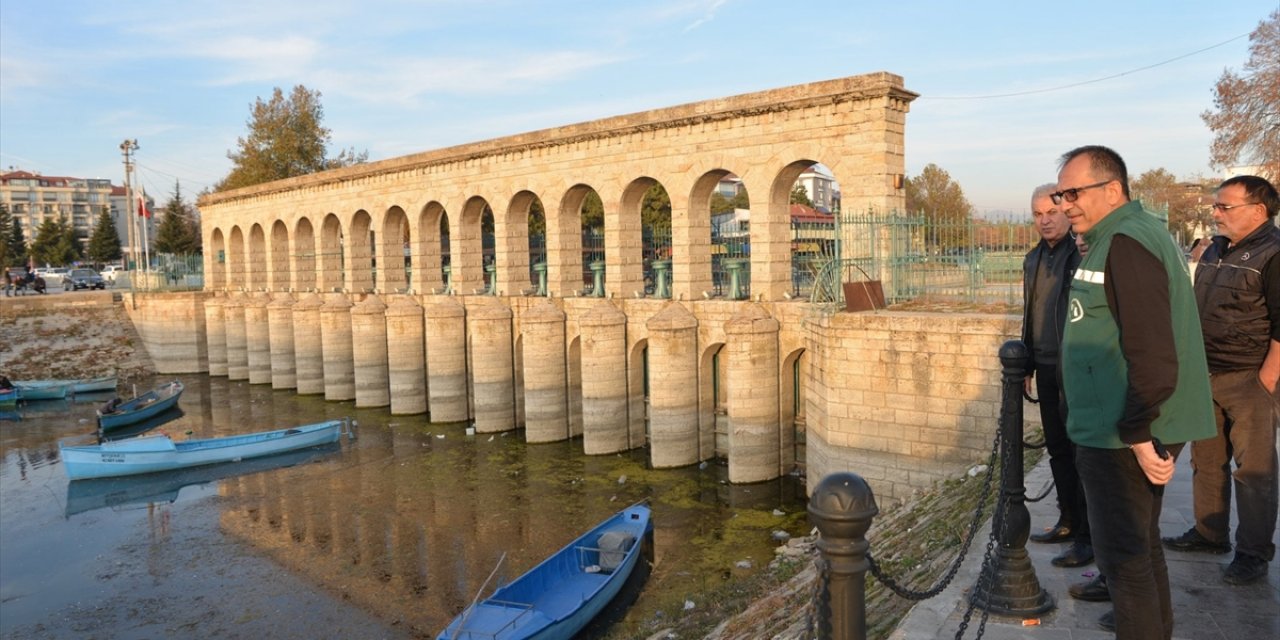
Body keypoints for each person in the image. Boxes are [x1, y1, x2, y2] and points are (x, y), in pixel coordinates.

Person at [1055, 145, 1214, 638]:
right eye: (1061, 194)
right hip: (1124, 428)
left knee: (1125, 562)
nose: (1064, 204)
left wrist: (1138, 432)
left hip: (1120, 435)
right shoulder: (1123, 235)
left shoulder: (1126, 240)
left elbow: (1151, 349)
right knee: (1140, 550)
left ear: (1113, 189)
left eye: (1073, 192)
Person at [1162, 175, 1280, 586]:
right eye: (1215, 206)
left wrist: (1265, 382)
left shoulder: (1274, 252)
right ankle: (1210, 533)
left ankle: (1253, 553)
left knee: (1255, 472)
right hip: (1206, 373)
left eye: (1224, 207)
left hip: (1250, 378)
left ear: (1257, 210)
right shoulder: (1215, 248)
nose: (1215, 213)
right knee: (1207, 460)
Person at [1021, 183, 1092, 570]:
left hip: (1075, 368)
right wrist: (1028, 361)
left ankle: (1088, 535)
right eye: (1036, 214)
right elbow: (1029, 312)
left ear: (1065, 211)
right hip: (1045, 366)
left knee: (1082, 453)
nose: (1044, 220)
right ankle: (1068, 521)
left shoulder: (1081, 254)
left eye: (1050, 212)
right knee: (1058, 450)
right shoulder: (1033, 258)